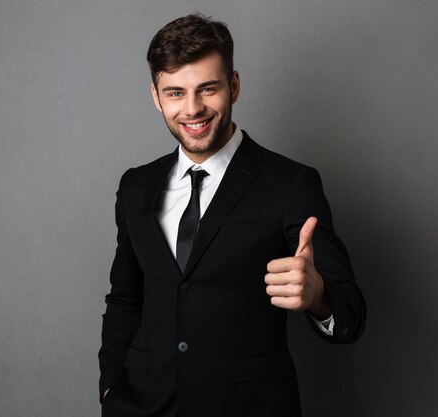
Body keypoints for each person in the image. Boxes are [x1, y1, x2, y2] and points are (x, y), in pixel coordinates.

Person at [98, 14, 366, 417]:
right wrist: (110, 386)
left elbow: (350, 315)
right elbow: (125, 298)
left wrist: (317, 296)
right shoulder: (136, 185)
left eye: (208, 88)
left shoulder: (291, 183)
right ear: (155, 96)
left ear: (234, 86)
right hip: (141, 406)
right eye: (175, 93)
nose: (192, 109)